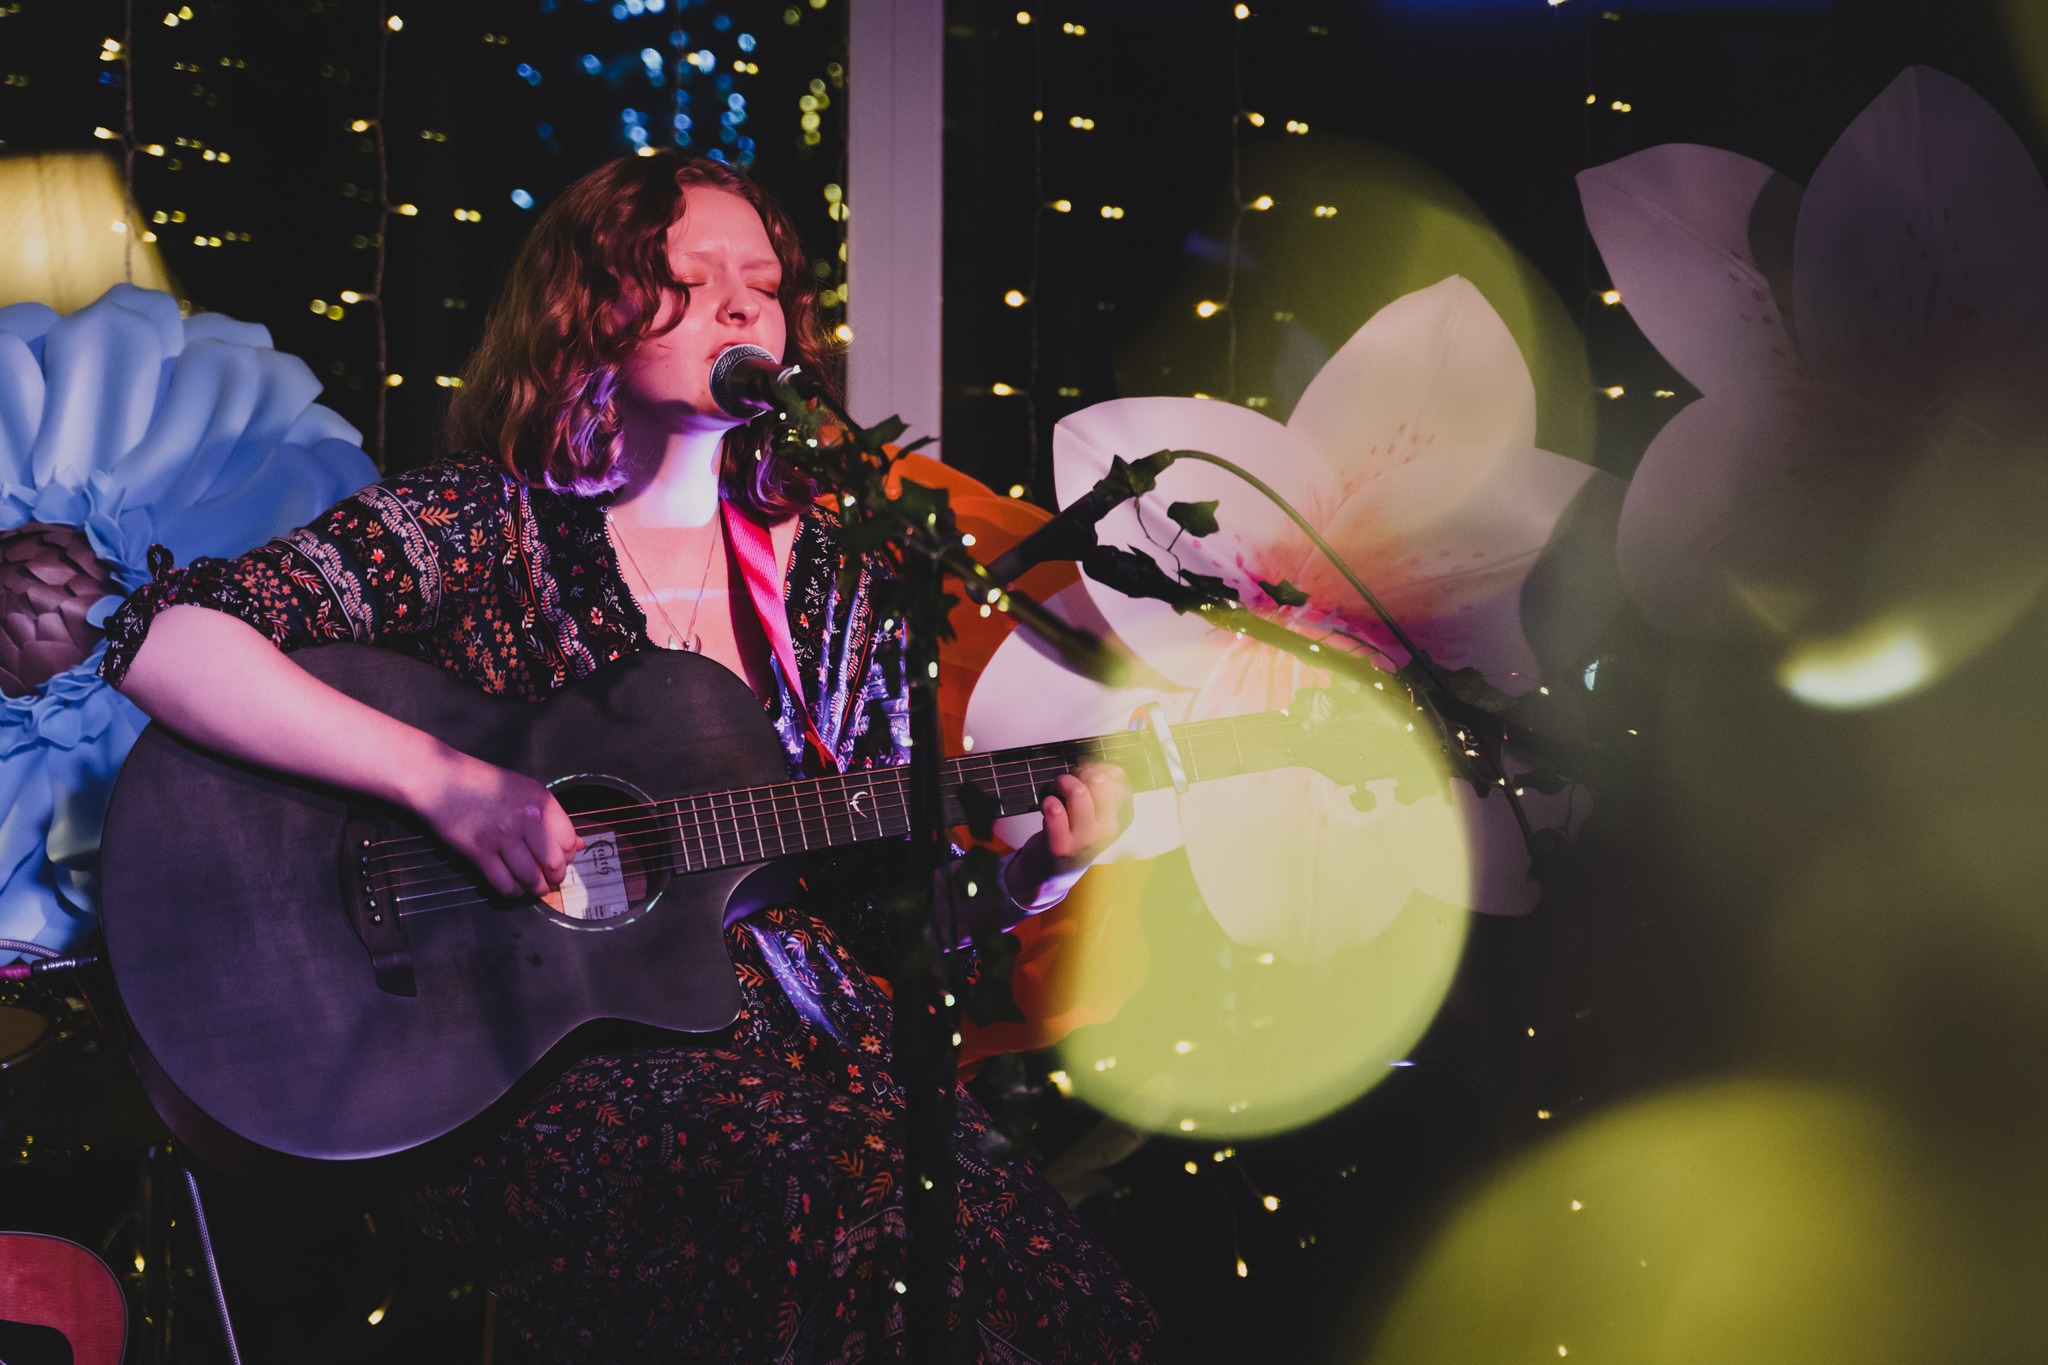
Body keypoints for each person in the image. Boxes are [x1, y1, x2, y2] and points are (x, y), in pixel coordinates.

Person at [98, 152, 1161, 1362]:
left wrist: (1034, 879)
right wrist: (447, 784)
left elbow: (878, 914)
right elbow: (168, 640)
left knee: (1050, 1292)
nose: (741, 306)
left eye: (764, 284)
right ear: (586, 310)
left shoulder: (837, 577)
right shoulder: (479, 522)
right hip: (517, 1052)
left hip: (817, 1066)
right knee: (804, 1195)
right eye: (689, 277)